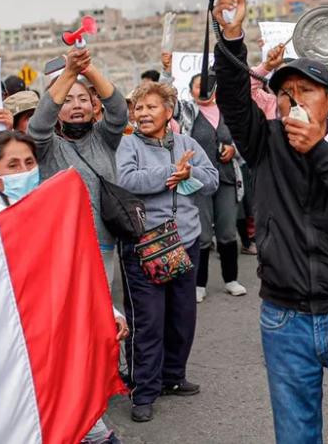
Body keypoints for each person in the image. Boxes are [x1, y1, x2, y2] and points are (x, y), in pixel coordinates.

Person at [213, 0, 328, 444]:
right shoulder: (266, 143)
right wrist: (231, 36)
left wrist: (318, 150)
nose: (293, 101)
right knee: (296, 434)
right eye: (285, 93)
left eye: (306, 91)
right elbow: (236, 102)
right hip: (283, 318)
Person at [0, 130, 127, 444]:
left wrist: (109, 311)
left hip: (56, 334)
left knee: (81, 417)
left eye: (29, 162)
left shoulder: (44, 206)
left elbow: (72, 268)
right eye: (12, 165)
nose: (24, 171)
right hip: (21, 345)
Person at [115, 81, 218, 423]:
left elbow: (212, 178)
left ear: (168, 111)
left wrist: (188, 174)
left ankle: (173, 377)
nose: (142, 113)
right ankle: (143, 391)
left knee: (182, 317)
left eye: (150, 107)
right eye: (138, 108)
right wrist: (170, 173)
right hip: (145, 246)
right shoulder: (128, 144)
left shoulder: (187, 144)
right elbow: (126, 180)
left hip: (185, 242)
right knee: (148, 323)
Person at [28, 44, 128, 285]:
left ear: (94, 107)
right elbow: (38, 126)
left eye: (83, 99)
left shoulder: (103, 137)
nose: (76, 106)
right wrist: (69, 73)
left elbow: (118, 110)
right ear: (57, 111)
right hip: (60, 248)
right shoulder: (47, 147)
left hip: (102, 245)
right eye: (68, 100)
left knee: (102, 313)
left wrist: (87, 68)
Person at [176, 73, 248, 302]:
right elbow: (168, 99)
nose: (204, 90)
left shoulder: (227, 111)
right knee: (204, 235)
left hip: (226, 179)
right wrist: (167, 70)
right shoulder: (188, 113)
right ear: (191, 90)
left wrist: (233, 150)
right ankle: (199, 284)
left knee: (227, 232)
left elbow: (243, 140)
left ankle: (231, 280)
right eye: (199, 86)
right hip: (198, 182)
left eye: (209, 86)